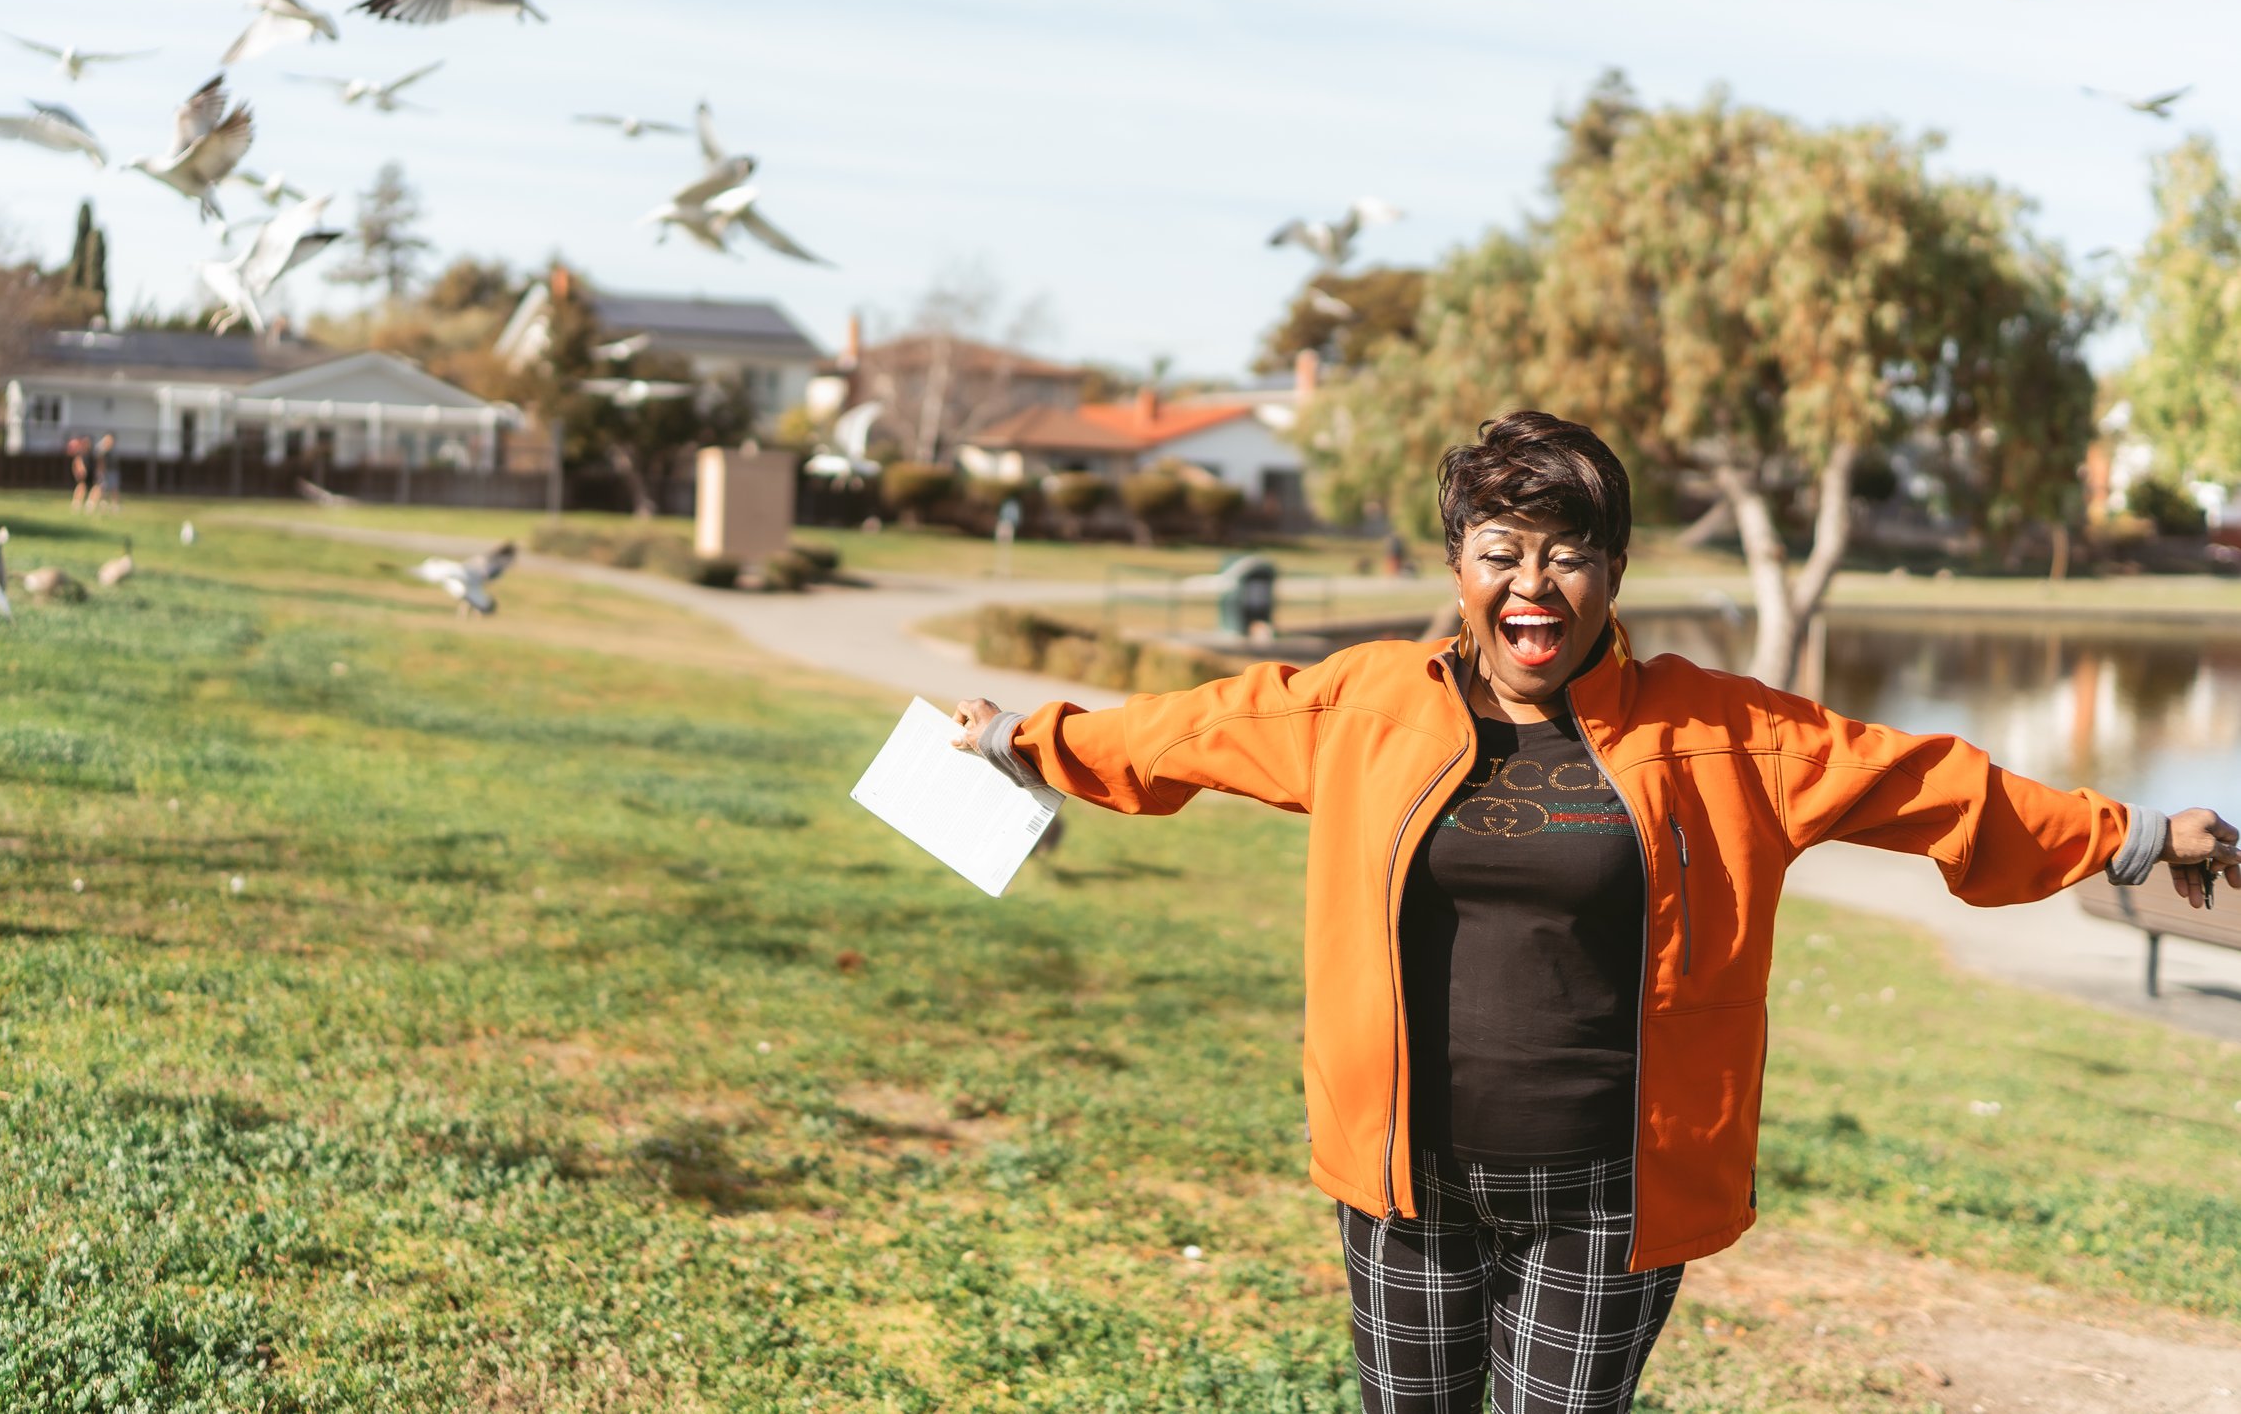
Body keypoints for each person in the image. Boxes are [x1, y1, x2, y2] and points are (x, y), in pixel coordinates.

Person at [954, 410, 2237, 1414]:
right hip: (1409, 1179)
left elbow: (1930, 784)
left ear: (1612, 571)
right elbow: (1185, 731)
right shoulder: (1365, 705)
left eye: (1569, 553)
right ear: (1457, 562)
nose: (1535, 583)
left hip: (1610, 1192)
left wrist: (2129, 834)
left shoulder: (1719, 728)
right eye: (1502, 550)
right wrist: (1026, 736)